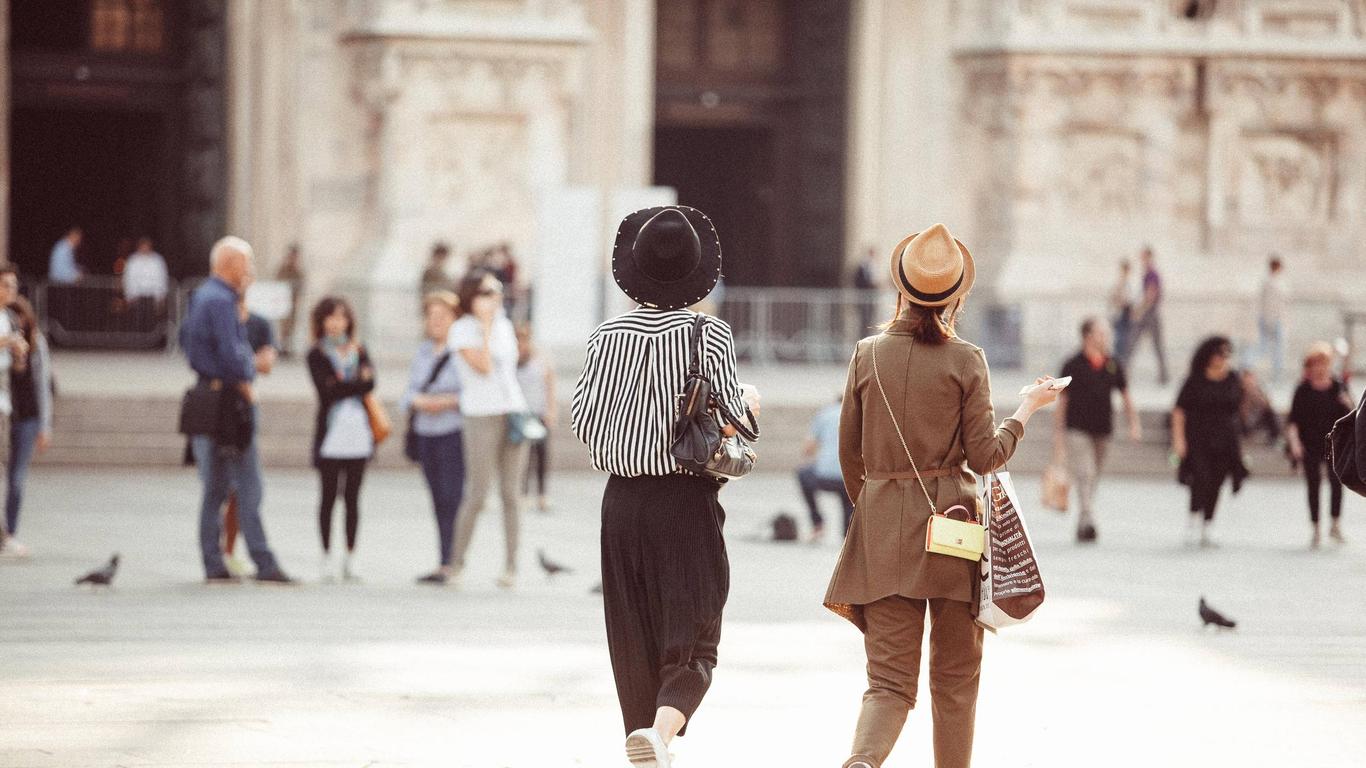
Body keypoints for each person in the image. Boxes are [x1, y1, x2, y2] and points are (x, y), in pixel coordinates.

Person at [823, 224, 1058, 768]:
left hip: (882, 528)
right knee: (955, 682)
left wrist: (879, 507)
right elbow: (985, 458)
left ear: (900, 288)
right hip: (953, 528)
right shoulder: (967, 359)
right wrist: (1027, 411)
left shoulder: (866, 354)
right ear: (956, 296)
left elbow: (849, 456)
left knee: (887, 682)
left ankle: (862, 762)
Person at [571, 205, 760, 767]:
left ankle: (645, 737)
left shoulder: (605, 335)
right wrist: (748, 406)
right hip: (686, 500)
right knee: (697, 632)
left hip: (622, 500)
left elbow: (583, 420)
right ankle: (660, 732)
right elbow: (730, 420)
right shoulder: (710, 333)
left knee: (632, 630)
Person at [180, 236, 293, 584]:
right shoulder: (221, 300)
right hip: (230, 403)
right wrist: (250, 368)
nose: (251, 272)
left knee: (214, 488)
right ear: (230, 264)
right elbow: (234, 356)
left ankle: (214, 563)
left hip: (206, 397)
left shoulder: (201, 296)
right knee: (249, 485)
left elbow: (188, 342)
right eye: (247, 264)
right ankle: (263, 561)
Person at [449, 271, 529, 590]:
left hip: (512, 411)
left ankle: (511, 565)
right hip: (480, 415)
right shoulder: (462, 329)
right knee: (478, 492)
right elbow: (482, 366)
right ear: (471, 296)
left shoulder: (505, 325)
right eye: (486, 292)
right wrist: (483, 325)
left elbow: (509, 370)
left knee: (511, 493)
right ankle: (457, 562)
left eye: (497, 292)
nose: (494, 298)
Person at [1052, 317, 1141, 543]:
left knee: (1094, 476)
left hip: (1103, 429)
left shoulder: (1113, 363)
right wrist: (1059, 435)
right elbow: (1062, 403)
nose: (1106, 338)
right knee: (1085, 472)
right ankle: (1088, 519)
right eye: (1102, 333)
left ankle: (1084, 518)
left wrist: (1134, 424)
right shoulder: (1072, 364)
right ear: (1088, 336)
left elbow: (1126, 395)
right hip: (1076, 429)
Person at [306, 296, 375, 582]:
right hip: (331, 432)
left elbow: (371, 383)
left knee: (353, 497)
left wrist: (345, 384)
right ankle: (325, 555)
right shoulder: (317, 353)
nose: (337, 323)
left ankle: (350, 555)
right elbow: (327, 391)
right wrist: (354, 384)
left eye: (342, 317)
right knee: (328, 496)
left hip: (358, 431)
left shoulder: (359, 349)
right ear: (322, 322)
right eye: (331, 317)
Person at [401, 291, 466, 585]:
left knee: (452, 498)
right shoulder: (423, 352)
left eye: (443, 317)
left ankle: (452, 562)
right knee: (437, 498)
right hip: (426, 433)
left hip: (453, 433)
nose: (436, 322)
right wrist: (422, 402)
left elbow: (471, 392)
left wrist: (447, 402)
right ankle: (443, 561)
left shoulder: (463, 350)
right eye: (432, 317)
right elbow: (409, 394)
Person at [220, 295, 278, 576]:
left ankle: (231, 551)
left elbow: (266, 364)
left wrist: (239, 365)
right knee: (218, 487)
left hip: (244, 411)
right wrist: (246, 364)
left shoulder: (259, 324)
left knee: (246, 488)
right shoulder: (217, 318)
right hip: (216, 407)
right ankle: (220, 554)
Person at [1172, 336, 1247, 548]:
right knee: (1200, 478)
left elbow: (1238, 409)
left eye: (1226, 354)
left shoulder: (1233, 378)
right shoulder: (1195, 379)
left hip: (1225, 440)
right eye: (1219, 353)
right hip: (1198, 438)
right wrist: (1179, 440)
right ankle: (1194, 517)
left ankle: (1208, 524)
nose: (1223, 358)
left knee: (1217, 482)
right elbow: (1179, 410)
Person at [1285, 342, 1353, 549]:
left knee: (1336, 484)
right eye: (1314, 364)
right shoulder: (1302, 390)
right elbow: (1293, 421)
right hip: (1310, 444)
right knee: (1313, 485)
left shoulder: (1338, 386)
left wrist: (1347, 401)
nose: (1319, 368)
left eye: (1323, 363)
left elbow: (1354, 414)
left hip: (1335, 444)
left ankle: (1335, 524)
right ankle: (1315, 527)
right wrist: (1295, 444)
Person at [5, 293, 52, 551]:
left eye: (21, 318)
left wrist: (45, 426)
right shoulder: (4, 347)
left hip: (28, 418)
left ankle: (10, 530)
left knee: (17, 477)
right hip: (6, 415)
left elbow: (43, 386)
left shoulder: (36, 345)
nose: (18, 324)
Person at [0, 267, 32, 558]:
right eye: (7, 285)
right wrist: (8, 342)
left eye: (14, 285)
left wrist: (20, 353)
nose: (12, 290)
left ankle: (3, 533)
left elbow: (16, 366)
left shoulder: (9, 318)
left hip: (4, 403)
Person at [797, 394, 850, 542]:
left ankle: (817, 523)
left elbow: (808, 449)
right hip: (848, 478)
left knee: (803, 473)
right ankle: (847, 532)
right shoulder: (860, 414)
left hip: (823, 477)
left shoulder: (825, 414)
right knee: (849, 492)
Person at [516, 324, 556, 513]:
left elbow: (550, 386)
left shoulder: (540, 360)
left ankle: (542, 495)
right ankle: (522, 494)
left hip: (539, 413)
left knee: (541, 454)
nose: (521, 344)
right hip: (521, 415)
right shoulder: (513, 360)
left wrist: (550, 410)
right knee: (523, 456)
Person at [1123, 245, 1169, 384]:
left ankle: (1163, 376)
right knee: (1133, 344)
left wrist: (1139, 312)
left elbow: (1150, 295)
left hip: (1149, 315)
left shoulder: (1152, 274)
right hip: (1148, 313)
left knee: (1142, 344)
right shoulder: (1147, 274)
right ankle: (1124, 374)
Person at [1254, 256, 1287, 383]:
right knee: (1265, 348)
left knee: (1278, 349)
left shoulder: (1278, 282)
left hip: (1278, 320)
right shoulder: (1268, 283)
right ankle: (1248, 366)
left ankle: (1277, 376)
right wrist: (1268, 320)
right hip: (1270, 319)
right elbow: (1267, 303)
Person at [275, 243, 306, 358]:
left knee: (292, 326)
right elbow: (278, 282)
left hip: (293, 303)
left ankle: (288, 347)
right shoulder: (283, 269)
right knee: (283, 326)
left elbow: (301, 286)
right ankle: (281, 347)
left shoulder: (298, 271)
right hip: (282, 302)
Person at [123, 236, 169, 303]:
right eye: (143, 246)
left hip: (153, 296)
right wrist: (129, 295)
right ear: (139, 247)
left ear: (150, 247)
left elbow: (162, 278)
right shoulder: (132, 260)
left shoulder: (158, 260)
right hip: (136, 297)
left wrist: (161, 296)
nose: (145, 249)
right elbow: (128, 278)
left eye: (147, 246)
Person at [1108, 259, 1134, 358]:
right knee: (1119, 342)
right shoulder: (1119, 283)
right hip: (1119, 316)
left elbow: (1127, 300)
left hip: (1125, 315)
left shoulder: (1128, 284)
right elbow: (1115, 299)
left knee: (1123, 342)